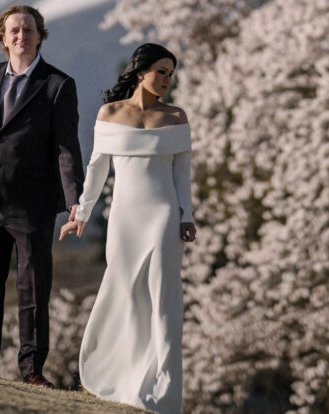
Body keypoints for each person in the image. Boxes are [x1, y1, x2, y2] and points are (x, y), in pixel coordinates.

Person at [60, 42, 196, 414]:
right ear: (141, 73)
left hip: (165, 216)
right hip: (122, 219)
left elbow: (182, 174)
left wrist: (187, 216)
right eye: (161, 72)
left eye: (171, 73)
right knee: (124, 291)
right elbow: (97, 168)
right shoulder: (109, 113)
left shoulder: (177, 117)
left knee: (164, 298)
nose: (168, 79)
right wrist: (81, 214)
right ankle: (120, 376)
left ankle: (163, 393)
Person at [0, 4, 84, 388]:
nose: (21, 36)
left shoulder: (58, 84)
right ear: (3, 37)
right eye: (14, 30)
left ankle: (31, 371)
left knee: (32, 289)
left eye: (28, 29)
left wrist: (74, 198)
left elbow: (67, 148)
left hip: (33, 206)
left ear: (40, 35)